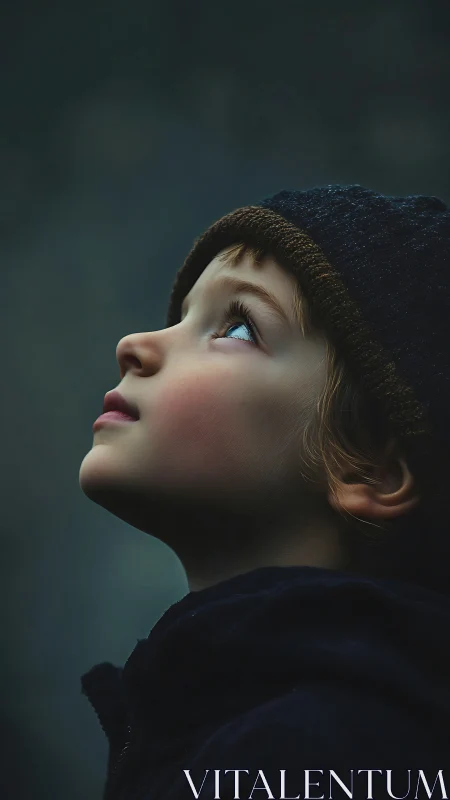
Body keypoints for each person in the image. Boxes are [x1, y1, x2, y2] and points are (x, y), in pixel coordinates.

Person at [79, 185, 450, 800]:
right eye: (181, 317)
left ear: (370, 469)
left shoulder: (318, 756)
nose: (135, 345)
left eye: (238, 327)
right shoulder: (211, 722)